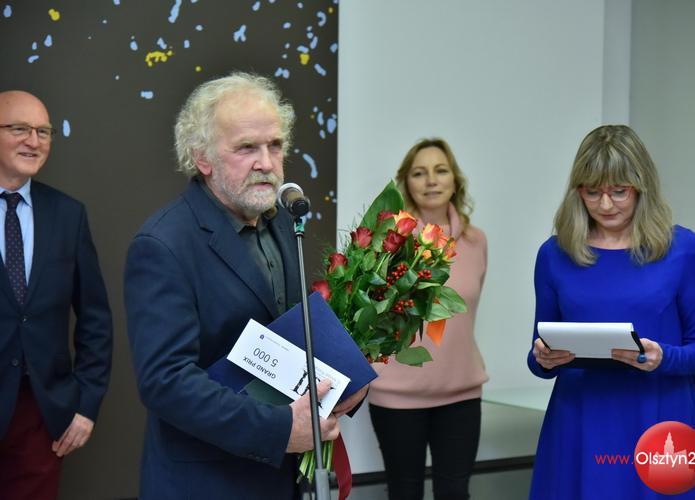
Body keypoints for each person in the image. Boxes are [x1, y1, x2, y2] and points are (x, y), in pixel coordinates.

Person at [124, 71, 366, 499]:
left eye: (275, 145)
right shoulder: (162, 244)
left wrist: (345, 385)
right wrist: (279, 429)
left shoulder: (283, 223)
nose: (267, 163)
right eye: (246, 148)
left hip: (281, 480)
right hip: (206, 483)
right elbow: (166, 381)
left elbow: (292, 335)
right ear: (202, 158)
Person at [527, 125, 695, 499]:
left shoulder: (684, 249)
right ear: (577, 191)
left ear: (642, 188)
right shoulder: (554, 254)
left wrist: (664, 356)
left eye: (619, 191)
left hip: (660, 419)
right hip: (579, 421)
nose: (605, 204)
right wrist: (544, 359)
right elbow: (538, 357)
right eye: (592, 192)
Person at [0, 90, 113, 499]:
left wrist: (86, 405)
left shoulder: (68, 214)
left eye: (43, 132)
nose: (33, 141)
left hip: (40, 416)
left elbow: (95, 319)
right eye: (19, 129)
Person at [367, 138, 488, 500]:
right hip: (397, 395)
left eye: (440, 170)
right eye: (419, 173)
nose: (431, 181)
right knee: (404, 493)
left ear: (455, 180)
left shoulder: (476, 241)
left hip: (462, 393)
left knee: (455, 493)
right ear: (406, 183)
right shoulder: (389, 242)